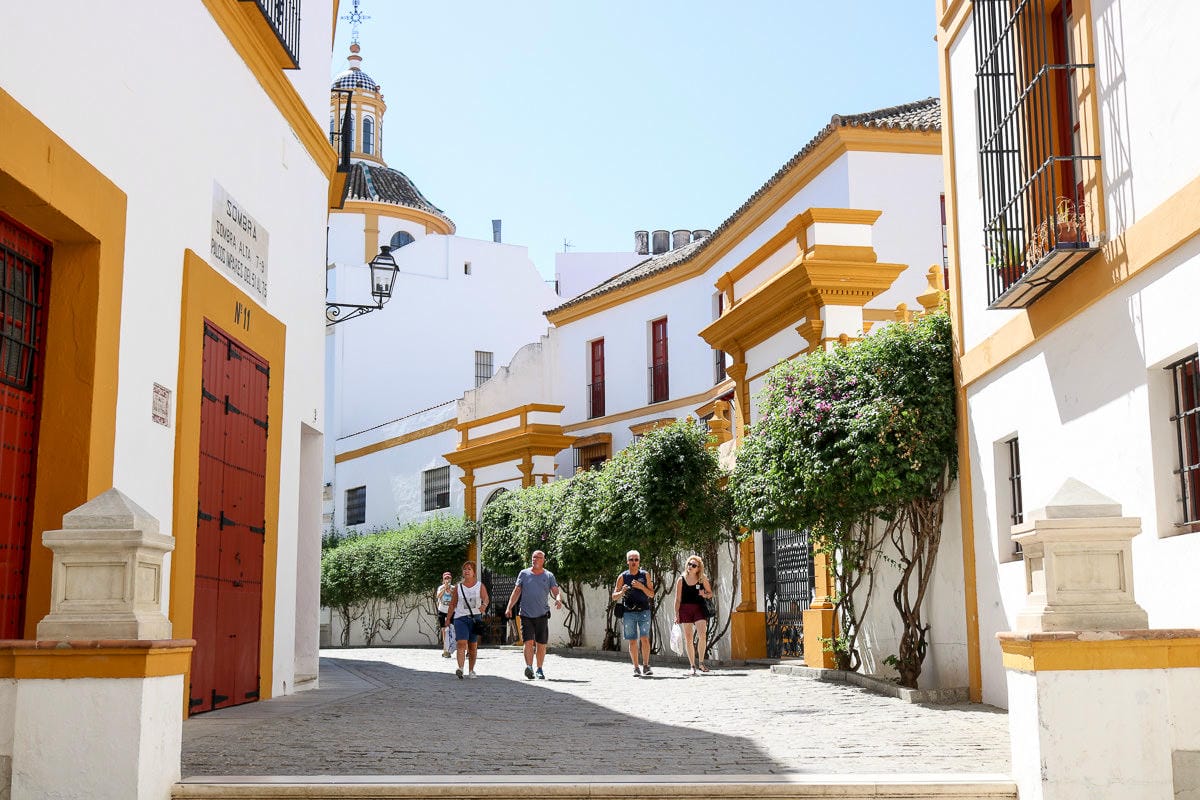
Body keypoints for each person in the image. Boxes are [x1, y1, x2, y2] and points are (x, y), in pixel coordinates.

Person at [505, 550, 564, 680]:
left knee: (541, 643)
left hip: (542, 614)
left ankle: (539, 668)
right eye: (533, 557)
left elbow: (555, 590)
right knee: (528, 641)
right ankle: (529, 667)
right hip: (526, 614)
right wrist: (509, 607)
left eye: (538, 557)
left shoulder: (548, 576)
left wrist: (558, 599)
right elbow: (516, 592)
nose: (535, 559)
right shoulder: (524, 574)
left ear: (543, 560)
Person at [444, 560, 489, 679]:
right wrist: (448, 618)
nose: (467, 571)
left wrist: (484, 605)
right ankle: (460, 668)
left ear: (474, 572)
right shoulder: (458, 587)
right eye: (465, 569)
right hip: (460, 618)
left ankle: (471, 670)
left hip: (475, 618)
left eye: (469, 569)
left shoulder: (480, 586)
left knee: (473, 645)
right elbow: (453, 604)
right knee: (461, 643)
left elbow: (486, 598)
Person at [613, 549, 654, 677]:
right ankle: (636, 667)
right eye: (631, 559)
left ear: (639, 561)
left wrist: (641, 587)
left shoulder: (645, 575)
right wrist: (622, 592)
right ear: (627, 561)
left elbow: (651, 594)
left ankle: (646, 666)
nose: (634, 562)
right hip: (629, 612)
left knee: (645, 639)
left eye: (636, 559)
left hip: (644, 611)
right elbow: (614, 596)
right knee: (632, 641)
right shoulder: (623, 576)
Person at [674, 554, 715, 675]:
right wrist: (676, 614)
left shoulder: (702, 578)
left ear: (698, 568)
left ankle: (701, 663)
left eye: (693, 565)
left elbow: (710, 593)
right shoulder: (681, 579)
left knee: (702, 635)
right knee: (688, 638)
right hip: (685, 609)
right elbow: (677, 599)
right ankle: (692, 666)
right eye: (689, 564)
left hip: (699, 609)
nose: (690, 567)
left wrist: (704, 595)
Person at [434, 571, 454, 657]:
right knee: (443, 630)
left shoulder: (454, 588)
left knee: (451, 630)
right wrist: (444, 589)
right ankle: (445, 650)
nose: (447, 579)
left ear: (451, 579)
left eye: (448, 578)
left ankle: (450, 648)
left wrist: (450, 591)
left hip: (451, 611)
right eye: (445, 578)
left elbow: (456, 598)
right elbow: (438, 596)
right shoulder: (440, 587)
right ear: (443, 579)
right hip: (442, 610)